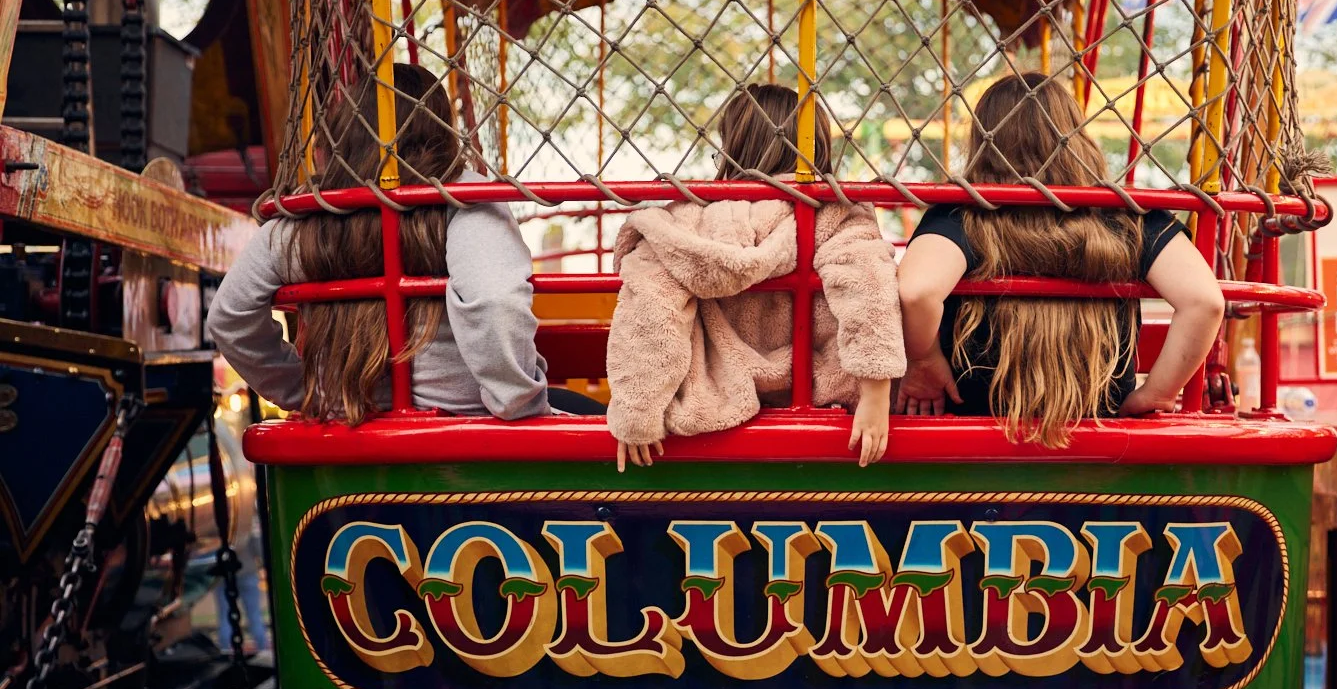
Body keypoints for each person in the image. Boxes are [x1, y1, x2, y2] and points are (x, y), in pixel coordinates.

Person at [210, 63, 572, 424]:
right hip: (460, 425)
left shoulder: (307, 217)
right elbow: (495, 299)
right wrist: (519, 404)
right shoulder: (462, 198)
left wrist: (304, 390)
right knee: (590, 416)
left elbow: (229, 316)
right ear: (441, 130)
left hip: (345, 420)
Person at [895, 72, 1225, 445]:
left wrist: (924, 362)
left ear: (983, 141)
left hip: (977, 422)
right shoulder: (1131, 216)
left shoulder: (962, 215)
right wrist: (1158, 393)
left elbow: (917, 292)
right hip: (1099, 420)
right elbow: (1204, 302)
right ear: (1076, 134)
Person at [606, 84, 903, 469]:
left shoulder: (686, 222)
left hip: (716, 399)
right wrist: (876, 396)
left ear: (733, 147)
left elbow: (650, 310)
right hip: (822, 397)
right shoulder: (835, 215)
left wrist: (637, 413)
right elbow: (868, 287)